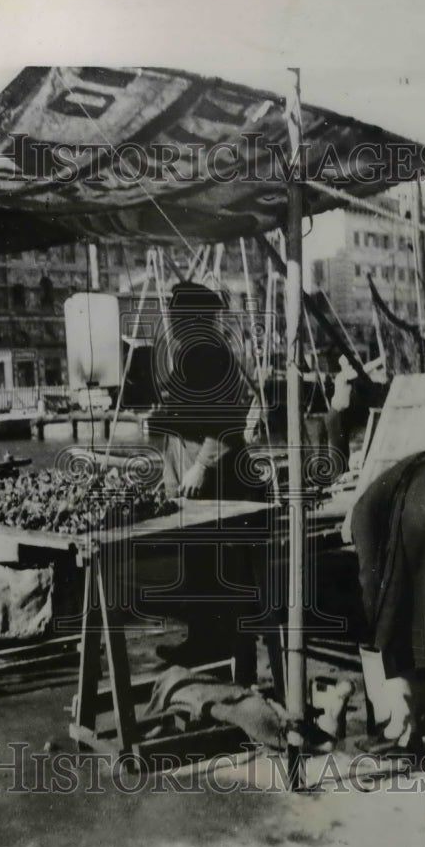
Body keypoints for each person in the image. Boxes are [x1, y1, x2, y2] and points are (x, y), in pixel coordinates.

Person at [148, 283, 272, 681]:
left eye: (181, 315)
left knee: (227, 575)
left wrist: (201, 465)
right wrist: (168, 477)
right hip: (193, 488)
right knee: (199, 569)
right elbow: (175, 426)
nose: (175, 323)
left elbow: (231, 420)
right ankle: (203, 643)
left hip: (224, 485)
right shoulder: (188, 354)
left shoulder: (212, 353)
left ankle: (240, 665)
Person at [350, 451, 425, 756]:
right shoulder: (376, 502)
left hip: (422, 505)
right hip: (424, 495)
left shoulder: (365, 516)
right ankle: (407, 721)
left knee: (388, 618)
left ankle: (401, 725)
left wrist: (380, 638)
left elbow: (377, 598)